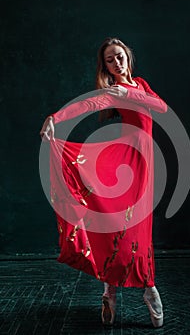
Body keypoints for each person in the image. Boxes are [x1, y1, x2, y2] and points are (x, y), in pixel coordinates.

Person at [40, 37, 167, 328]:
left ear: (128, 57)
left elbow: (160, 108)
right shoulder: (112, 92)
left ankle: (145, 287)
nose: (117, 62)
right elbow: (87, 104)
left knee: (139, 228)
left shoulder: (140, 85)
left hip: (144, 163)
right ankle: (116, 291)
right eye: (110, 59)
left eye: (120, 56)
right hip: (127, 160)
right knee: (117, 224)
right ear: (106, 66)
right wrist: (55, 117)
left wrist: (130, 92)